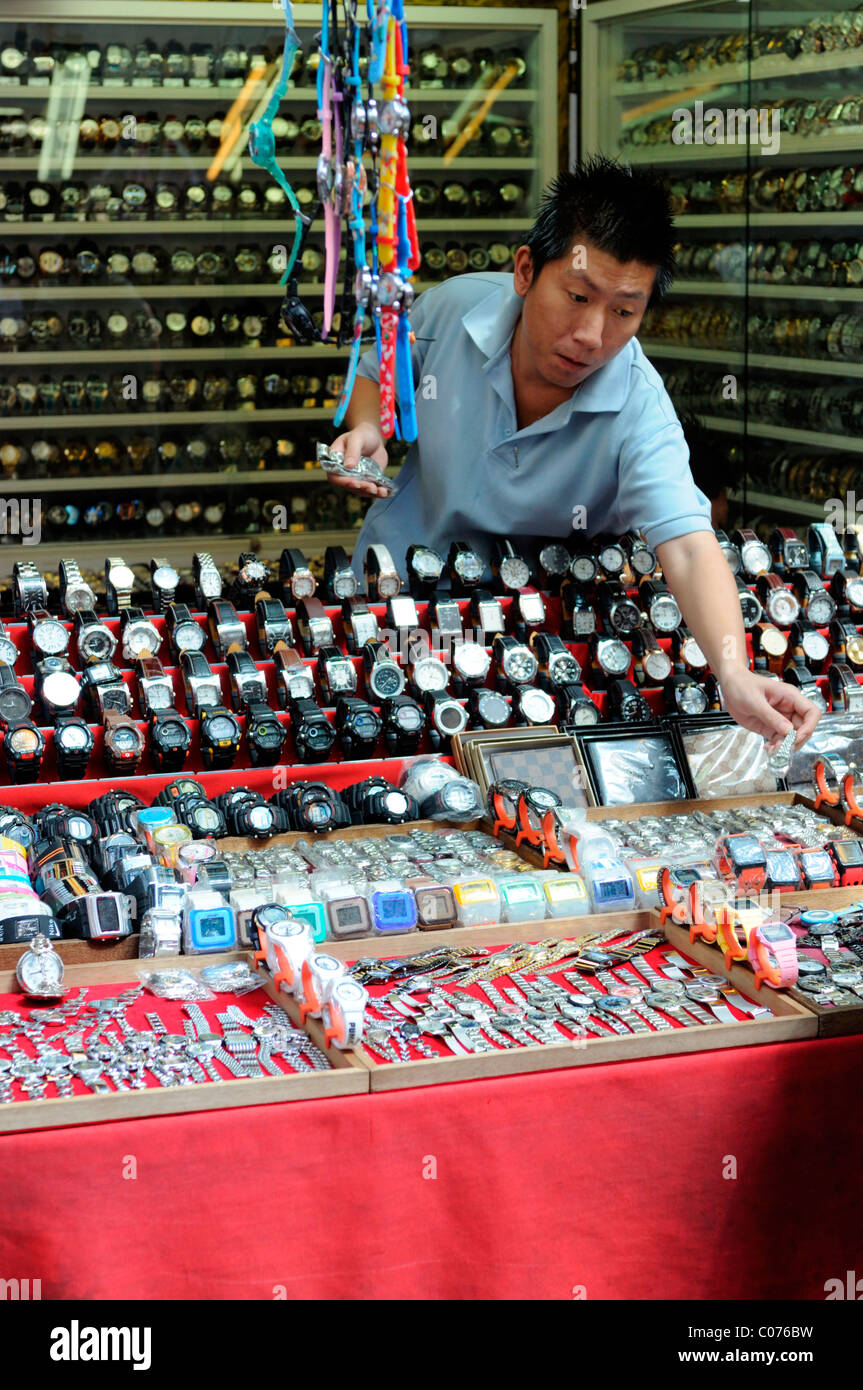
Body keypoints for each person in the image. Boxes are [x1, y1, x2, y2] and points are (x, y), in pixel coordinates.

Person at [329, 156, 819, 753]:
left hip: (549, 639)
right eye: (578, 296)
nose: (592, 334)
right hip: (401, 601)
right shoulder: (451, 311)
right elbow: (381, 366)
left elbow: (690, 545)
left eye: (623, 312)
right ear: (527, 270)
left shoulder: (638, 405)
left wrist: (733, 673)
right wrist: (366, 428)